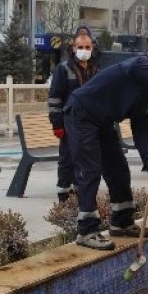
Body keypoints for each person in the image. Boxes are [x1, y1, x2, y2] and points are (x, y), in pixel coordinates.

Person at [63, 55, 148, 250]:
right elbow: (136, 66)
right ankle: (86, 231)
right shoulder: (145, 66)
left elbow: (143, 129)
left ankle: (121, 222)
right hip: (81, 112)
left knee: (118, 168)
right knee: (90, 170)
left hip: (103, 121)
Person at [48, 29, 102, 202]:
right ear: (74, 48)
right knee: (67, 159)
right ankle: (63, 194)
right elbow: (55, 98)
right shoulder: (63, 69)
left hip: (90, 123)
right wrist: (57, 124)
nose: (84, 50)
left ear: (92, 48)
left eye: (87, 47)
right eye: (81, 47)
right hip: (69, 123)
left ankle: (81, 193)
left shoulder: (96, 69)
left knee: (86, 160)